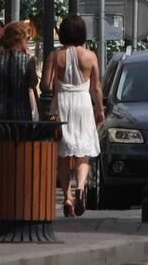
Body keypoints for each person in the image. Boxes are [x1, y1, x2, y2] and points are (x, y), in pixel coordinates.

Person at [43, 15, 102, 217]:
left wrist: (55, 84)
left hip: (61, 104)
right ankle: (80, 188)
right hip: (83, 103)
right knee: (83, 151)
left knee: (62, 153)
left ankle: (67, 196)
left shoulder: (55, 56)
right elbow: (96, 87)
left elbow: (45, 85)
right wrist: (100, 110)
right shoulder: (90, 56)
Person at [0, 22, 39, 207]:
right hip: (21, 115)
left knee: (2, 154)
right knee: (21, 153)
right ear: (20, 38)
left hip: (0, 114)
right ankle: (20, 191)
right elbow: (34, 84)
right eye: (26, 38)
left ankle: (2, 191)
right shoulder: (27, 60)